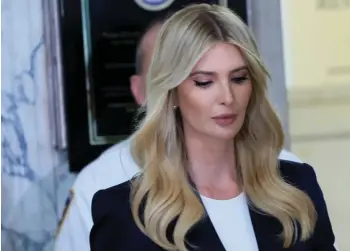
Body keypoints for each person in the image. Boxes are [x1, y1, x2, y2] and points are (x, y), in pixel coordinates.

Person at [89, 4, 336, 251]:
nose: (227, 97)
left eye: (238, 78)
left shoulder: (297, 187)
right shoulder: (124, 213)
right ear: (172, 93)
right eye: (205, 82)